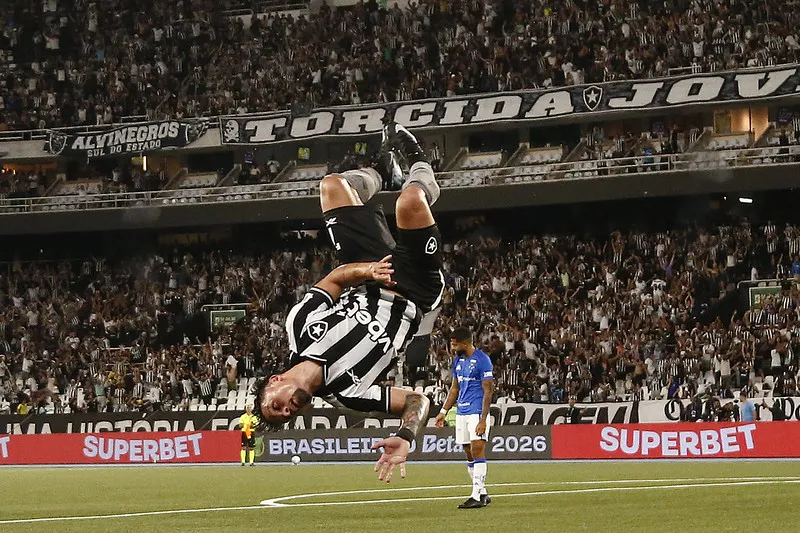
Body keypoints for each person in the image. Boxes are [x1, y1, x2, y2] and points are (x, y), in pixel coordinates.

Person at [254, 123, 444, 483]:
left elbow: (335, 279)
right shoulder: (348, 394)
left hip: (371, 271)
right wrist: (407, 437)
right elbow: (417, 401)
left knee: (332, 186)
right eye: (285, 416)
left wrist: (370, 271)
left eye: (275, 404)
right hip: (416, 290)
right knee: (410, 202)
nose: (287, 409)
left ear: (273, 380)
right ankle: (420, 161)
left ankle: (381, 171)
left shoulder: (299, 328)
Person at [435, 326, 494, 509]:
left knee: (477, 450)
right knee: (468, 453)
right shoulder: (458, 360)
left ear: (465, 343)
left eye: (455, 344)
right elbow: (455, 388)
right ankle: (483, 493)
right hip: (462, 411)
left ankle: (476, 496)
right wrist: (443, 412)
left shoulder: (483, 360)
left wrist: (483, 419)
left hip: (476, 412)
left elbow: (488, 391)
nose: (452, 347)